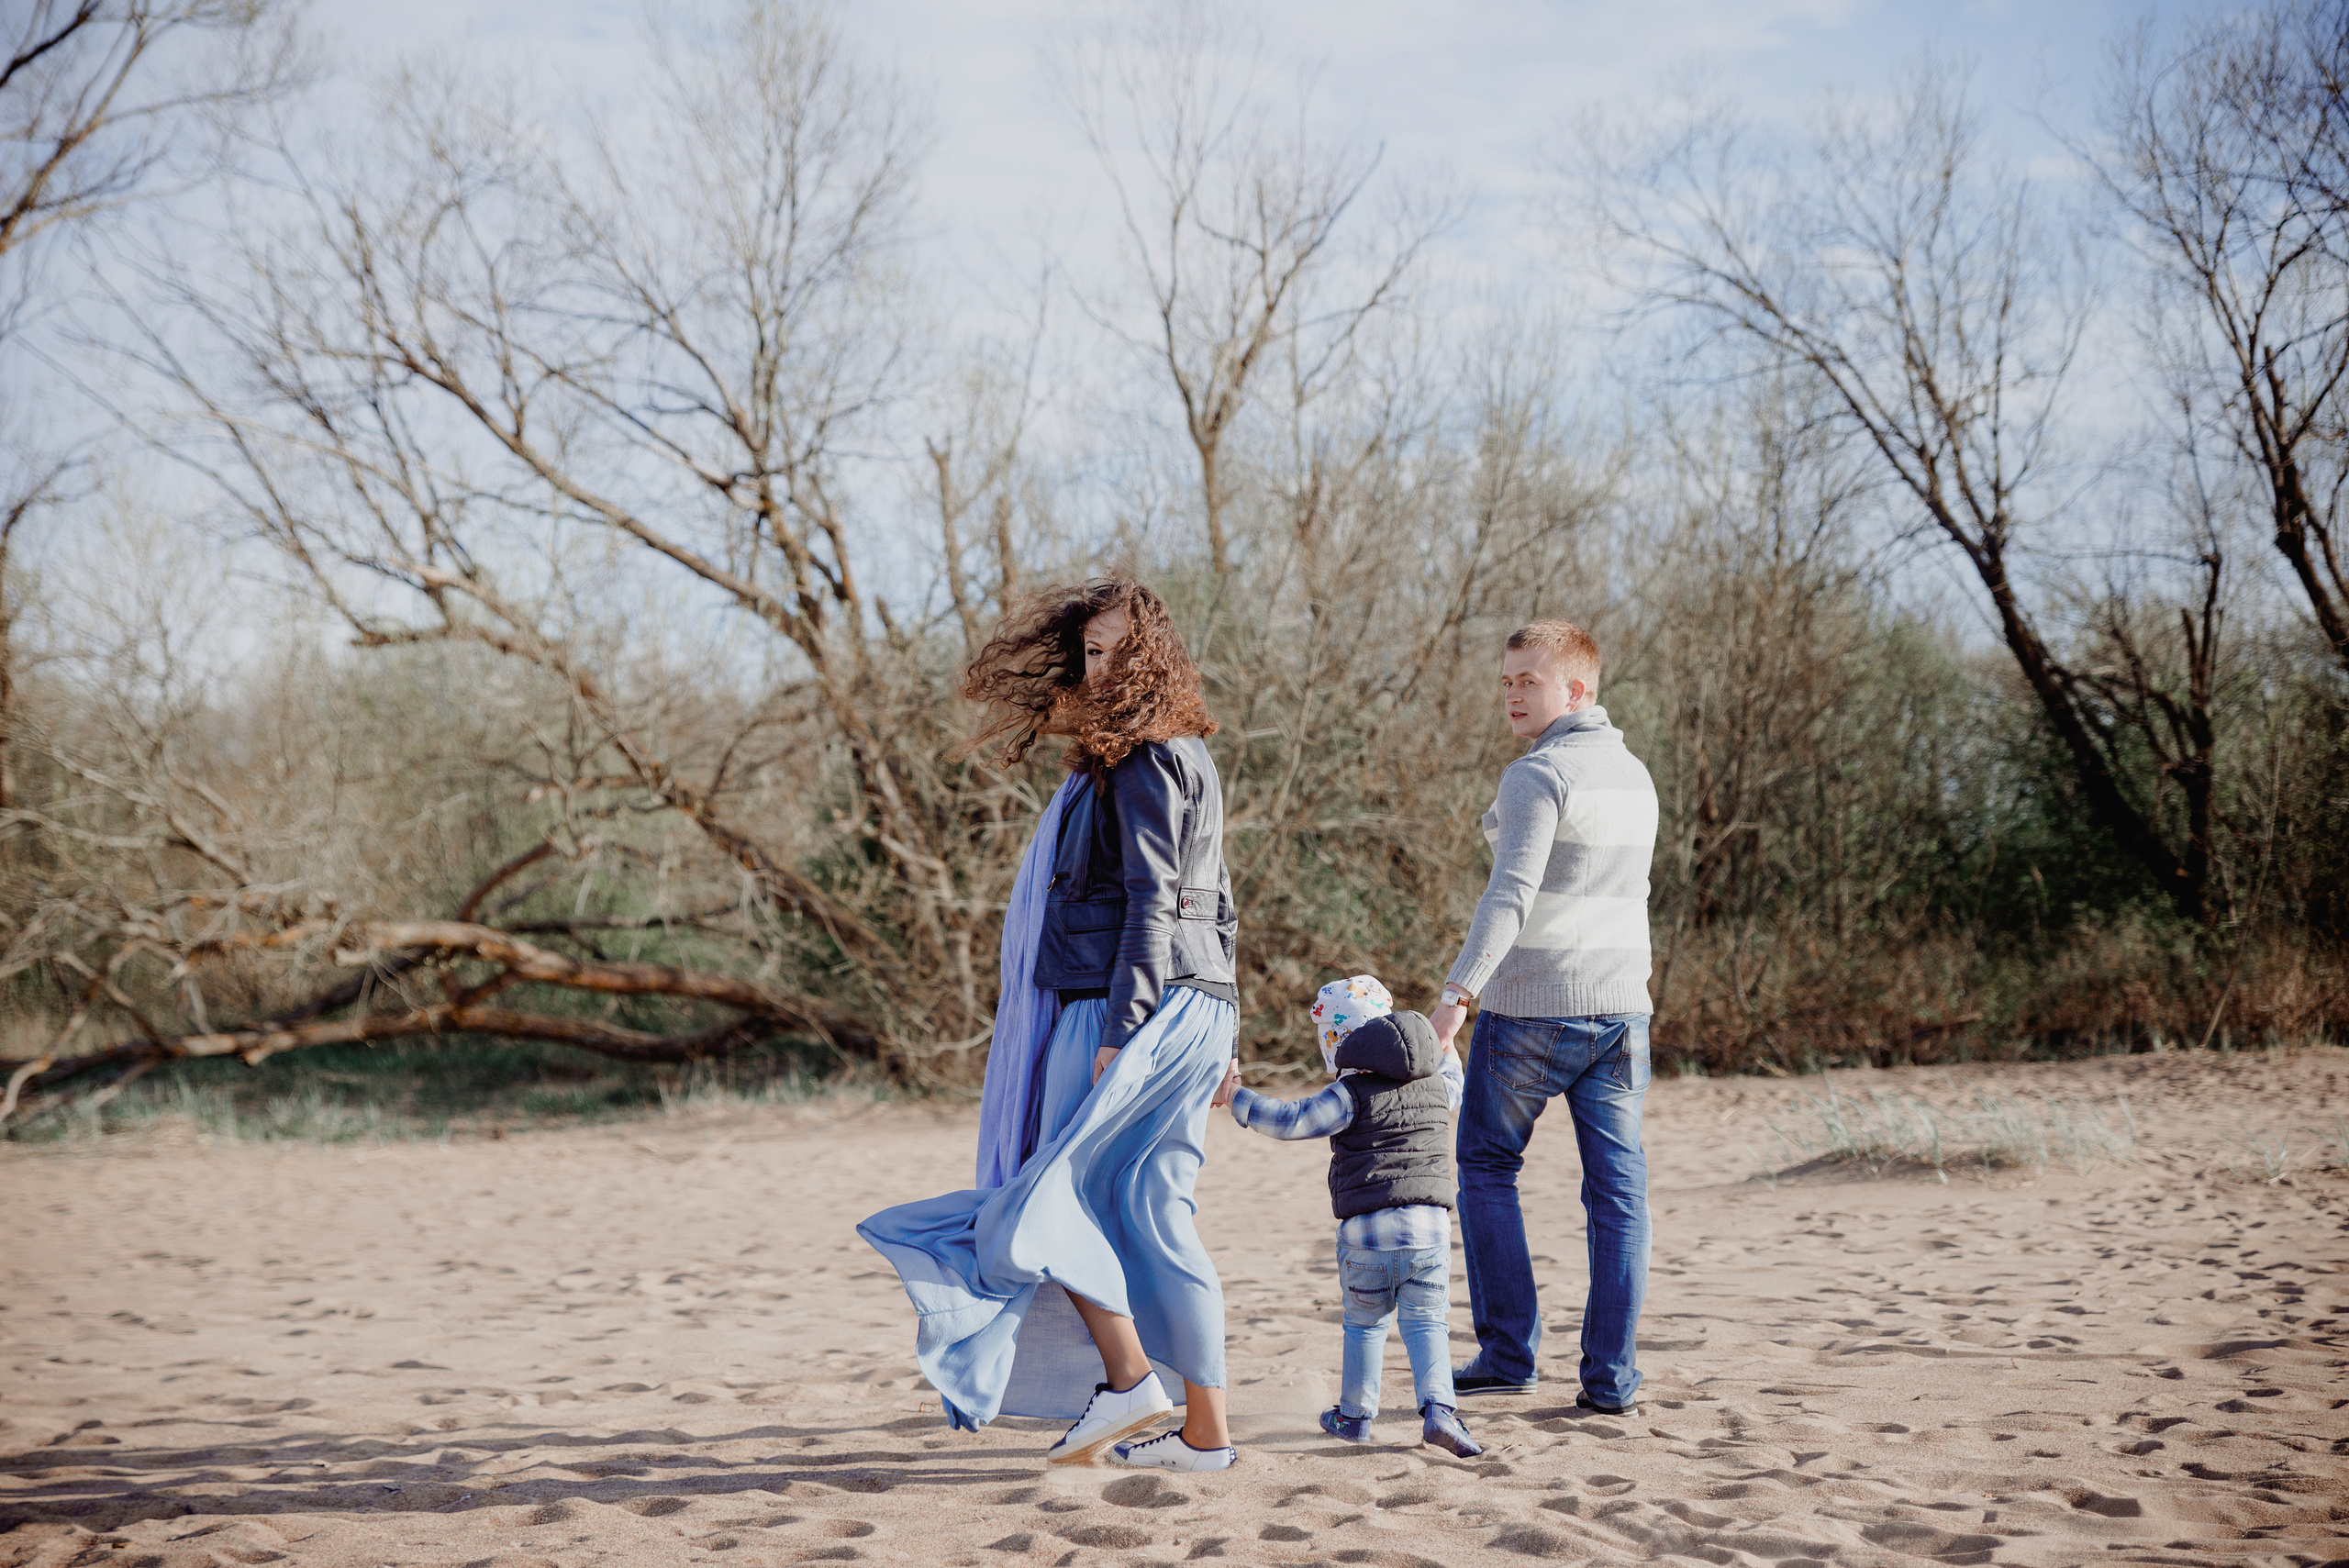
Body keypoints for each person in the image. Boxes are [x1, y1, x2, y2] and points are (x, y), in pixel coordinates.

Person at [857, 578, 1243, 1473]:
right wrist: (1229, 1027)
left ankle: (1129, 1381)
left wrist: (1124, 1025)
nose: (1099, 669)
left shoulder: (1143, 758)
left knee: (1046, 1200)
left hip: (1125, 1006)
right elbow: (1216, 903)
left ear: (1154, 658)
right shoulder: (1188, 754)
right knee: (1153, 1210)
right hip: (1195, 1002)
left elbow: (1156, 899)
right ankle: (1203, 1430)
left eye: (1116, 652)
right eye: (1090, 653)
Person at [1430, 619, 1658, 1417]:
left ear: (1577, 690)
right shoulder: (1636, 774)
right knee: (1619, 1194)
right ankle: (1611, 1381)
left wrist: (1456, 995)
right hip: (1624, 1009)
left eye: (1530, 679)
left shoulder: (1537, 775)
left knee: (1486, 1166)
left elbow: (1511, 894)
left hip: (1532, 1009)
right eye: (1506, 680)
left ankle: (1506, 1352)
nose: (1513, 693)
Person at [1221, 975, 1482, 1458]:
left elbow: (1290, 1120)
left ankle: (1356, 1417)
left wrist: (1235, 1097)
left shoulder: (1349, 1094)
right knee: (1428, 1324)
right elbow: (1454, 1075)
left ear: (1336, 1044)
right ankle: (1441, 1412)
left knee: (1365, 1325)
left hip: (1368, 1236)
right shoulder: (1435, 1084)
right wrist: (1442, 1046)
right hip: (1429, 1234)